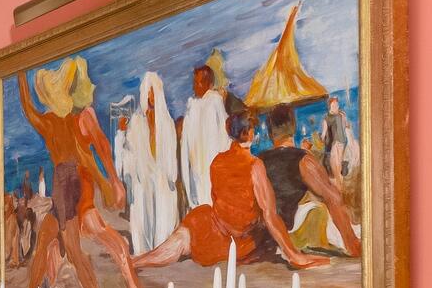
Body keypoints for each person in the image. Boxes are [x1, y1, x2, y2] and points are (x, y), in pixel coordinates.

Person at [11, 58, 142, 288]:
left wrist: (20, 75)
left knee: (74, 250)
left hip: (68, 185)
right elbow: (86, 157)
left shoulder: (52, 122)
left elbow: (28, 109)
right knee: (45, 240)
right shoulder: (63, 121)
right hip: (64, 183)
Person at [133, 102, 330, 276]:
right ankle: (137, 261)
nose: (256, 132)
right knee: (196, 236)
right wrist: (294, 255)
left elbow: (216, 198)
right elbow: (269, 213)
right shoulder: (254, 165)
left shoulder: (217, 161)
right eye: (253, 128)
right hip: (240, 240)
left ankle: (137, 261)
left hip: (213, 226)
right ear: (248, 133)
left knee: (184, 235)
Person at [259, 104, 361, 257]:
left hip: (267, 235)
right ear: (293, 127)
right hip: (291, 233)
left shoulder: (258, 161)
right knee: (321, 206)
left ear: (270, 132)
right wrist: (352, 243)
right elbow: (333, 198)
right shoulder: (302, 160)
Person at [116, 71, 180, 254]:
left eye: (153, 91)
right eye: (147, 91)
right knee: (143, 224)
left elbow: (170, 161)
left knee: (163, 228)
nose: (150, 96)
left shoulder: (166, 123)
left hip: (162, 186)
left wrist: (169, 178)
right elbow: (128, 156)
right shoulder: (136, 122)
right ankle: (144, 254)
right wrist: (121, 134)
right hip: (142, 185)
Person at [178, 58, 231, 213]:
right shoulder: (192, 106)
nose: (196, 86)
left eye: (200, 82)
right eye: (195, 82)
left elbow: (224, 136)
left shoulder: (215, 102)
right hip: (196, 167)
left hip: (211, 166)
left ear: (209, 83)